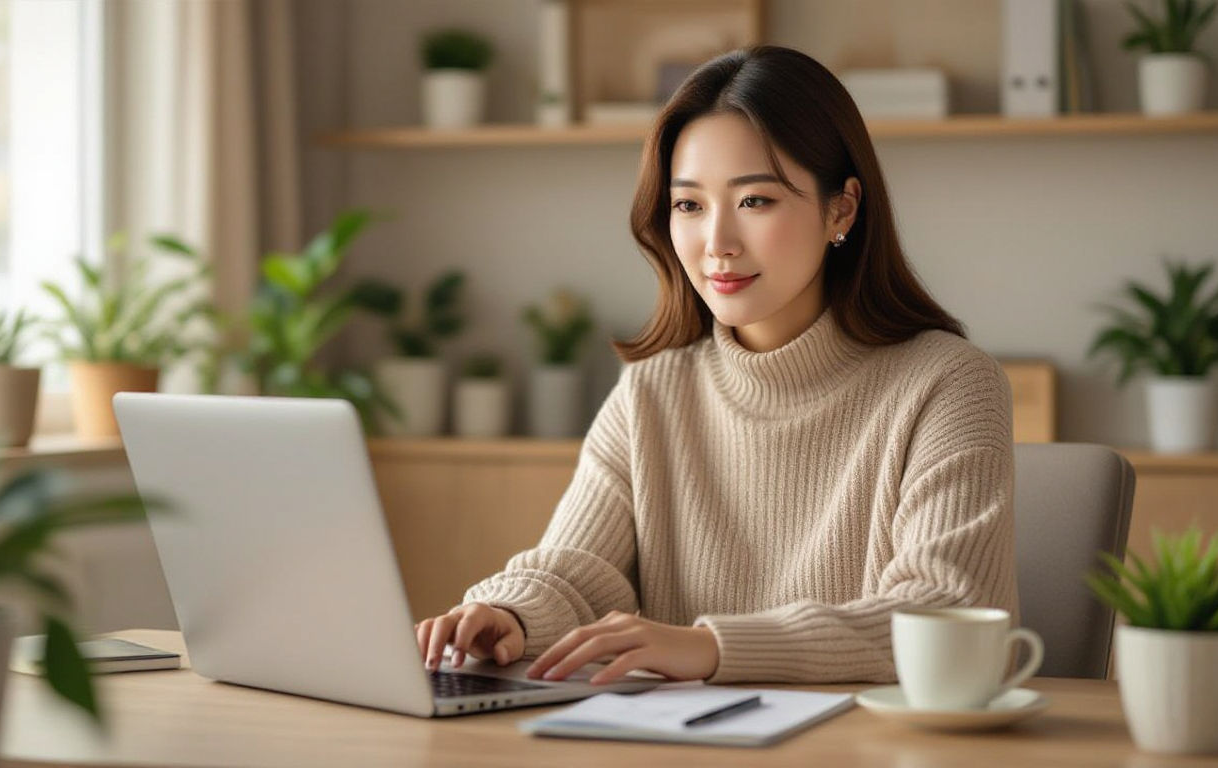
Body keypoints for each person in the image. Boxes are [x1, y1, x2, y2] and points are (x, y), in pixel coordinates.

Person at [414, 45, 1017, 685]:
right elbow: (574, 567)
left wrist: (712, 648)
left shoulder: (948, 384)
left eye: (755, 201)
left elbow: (946, 610)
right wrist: (509, 611)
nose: (717, 244)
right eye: (689, 206)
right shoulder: (652, 392)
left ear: (840, 209)